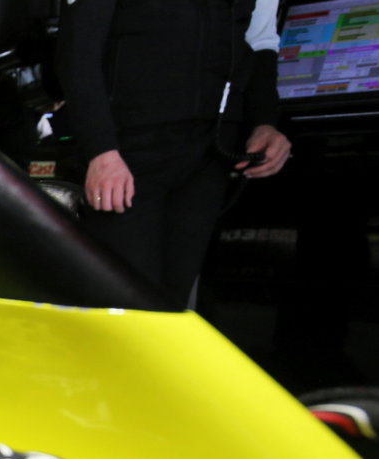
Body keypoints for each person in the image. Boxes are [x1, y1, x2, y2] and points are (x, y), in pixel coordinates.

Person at [57, 0, 291, 306]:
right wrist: (100, 150)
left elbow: (260, 41)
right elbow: (78, 51)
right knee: (126, 297)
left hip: (210, 151)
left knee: (173, 300)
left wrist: (264, 122)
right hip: (128, 150)